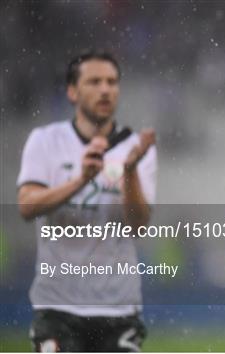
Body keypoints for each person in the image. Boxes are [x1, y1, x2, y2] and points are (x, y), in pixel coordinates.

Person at [17, 51, 157, 352]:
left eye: (111, 82)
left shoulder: (136, 148)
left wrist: (130, 171)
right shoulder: (45, 141)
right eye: (94, 81)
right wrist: (80, 180)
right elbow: (27, 206)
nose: (105, 89)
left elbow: (138, 225)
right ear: (72, 91)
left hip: (118, 308)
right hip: (57, 306)